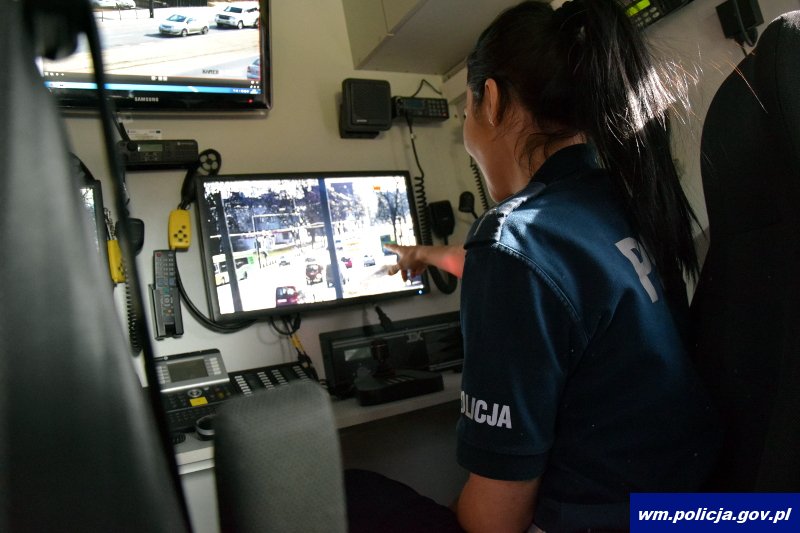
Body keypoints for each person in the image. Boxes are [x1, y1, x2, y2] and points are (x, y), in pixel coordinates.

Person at [378, 1, 721, 531]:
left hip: (599, 519)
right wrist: (426, 255)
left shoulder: (514, 242)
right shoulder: (619, 203)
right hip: (693, 509)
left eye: (465, 112)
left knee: (362, 492)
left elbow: (497, 519)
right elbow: (558, 291)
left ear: (491, 101)